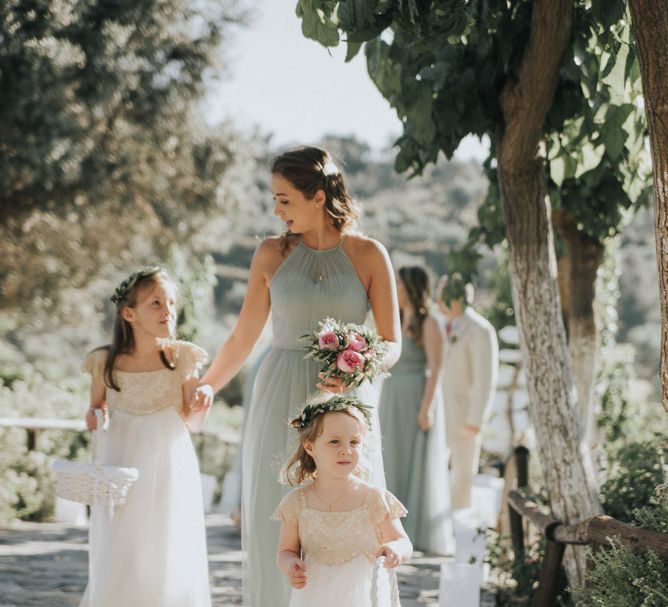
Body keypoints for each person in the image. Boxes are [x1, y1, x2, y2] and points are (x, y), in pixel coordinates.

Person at [189, 146, 401, 606]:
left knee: (353, 515)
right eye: (275, 199)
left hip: (344, 405)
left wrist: (358, 367)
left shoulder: (368, 254)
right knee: (278, 515)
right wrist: (208, 384)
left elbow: (391, 341)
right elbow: (244, 335)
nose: (276, 209)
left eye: (285, 199)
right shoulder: (270, 253)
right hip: (279, 392)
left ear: (319, 197)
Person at [80, 267, 211, 607]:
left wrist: (202, 398)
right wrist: (96, 418)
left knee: (165, 535)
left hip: (168, 458)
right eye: (155, 303)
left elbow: (191, 417)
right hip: (121, 458)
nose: (167, 310)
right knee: (126, 538)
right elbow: (96, 409)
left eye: (171, 302)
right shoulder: (105, 362)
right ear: (129, 313)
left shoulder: (180, 358)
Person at [273, 395, 412, 607]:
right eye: (334, 441)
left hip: (362, 595)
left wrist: (396, 550)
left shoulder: (373, 498)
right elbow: (286, 551)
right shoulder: (296, 503)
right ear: (310, 447)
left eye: (354, 442)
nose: (346, 450)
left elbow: (403, 542)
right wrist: (291, 564)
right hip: (314, 595)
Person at [378, 266, 454, 554]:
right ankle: (389, 526)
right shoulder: (395, 320)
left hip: (416, 399)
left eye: (397, 282)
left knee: (414, 461)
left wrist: (427, 409)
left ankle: (414, 531)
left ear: (410, 287)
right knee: (391, 457)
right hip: (392, 396)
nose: (394, 287)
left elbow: (437, 370)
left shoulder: (430, 323)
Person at [437, 272, 499, 510]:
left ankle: (457, 519)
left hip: (465, 414)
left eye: (441, 295)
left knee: (463, 472)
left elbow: (486, 378)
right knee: (437, 468)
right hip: (440, 410)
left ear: (455, 299)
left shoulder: (480, 330)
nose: (437, 301)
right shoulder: (441, 325)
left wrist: (476, 418)